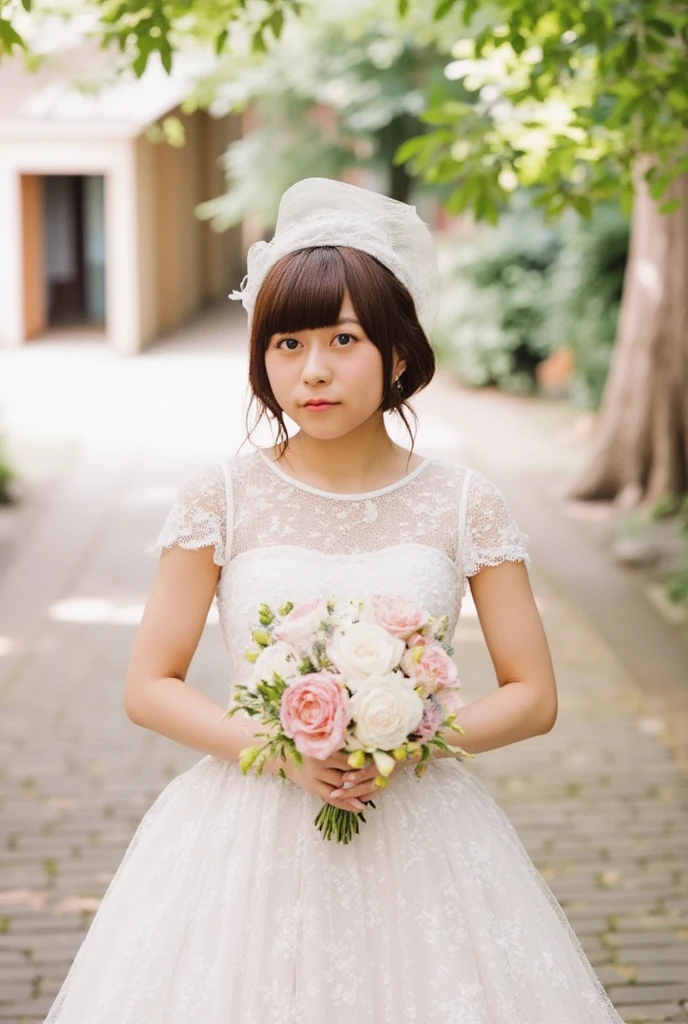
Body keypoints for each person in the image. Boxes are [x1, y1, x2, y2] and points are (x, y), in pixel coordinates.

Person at [43, 177, 623, 1023]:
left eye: (342, 339)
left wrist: (405, 740)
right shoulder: (221, 499)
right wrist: (281, 752)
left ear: (395, 353)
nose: (311, 369)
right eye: (286, 343)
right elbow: (150, 686)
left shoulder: (465, 504)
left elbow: (533, 697)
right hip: (248, 823)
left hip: (420, 822)